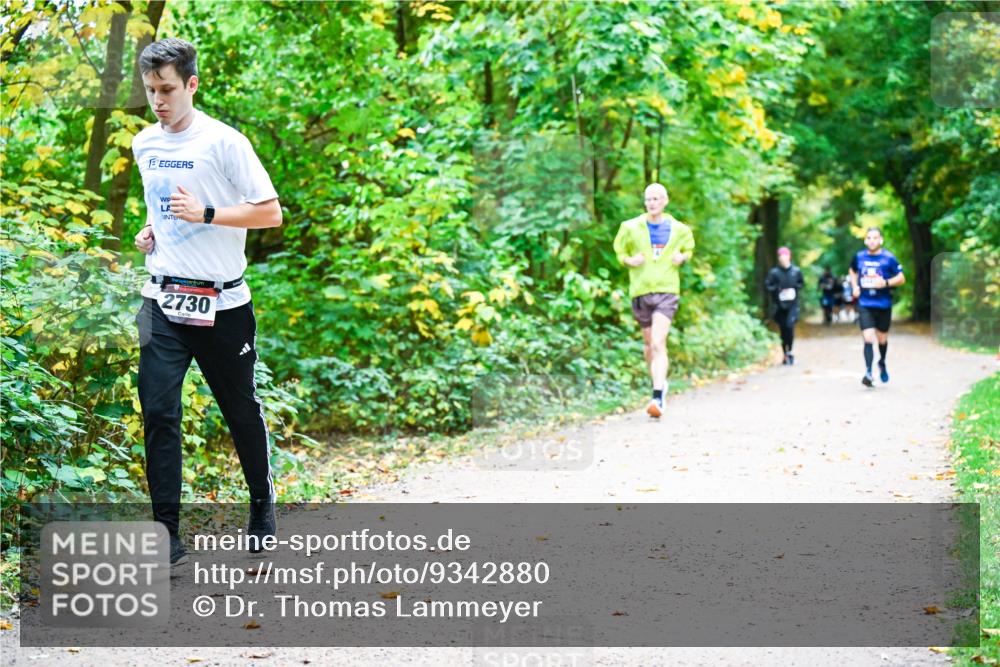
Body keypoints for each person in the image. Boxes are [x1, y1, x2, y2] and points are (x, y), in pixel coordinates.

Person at [131, 38, 283, 566]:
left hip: (223, 305)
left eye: (167, 89)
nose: (158, 101)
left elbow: (270, 214)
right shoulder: (143, 143)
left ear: (192, 84)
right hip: (162, 298)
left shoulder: (225, 142)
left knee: (239, 410)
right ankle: (166, 534)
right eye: (150, 91)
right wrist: (149, 232)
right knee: (158, 411)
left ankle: (262, 507)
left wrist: (209, 215)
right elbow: (159, 206)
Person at [613, 183, 695, 418]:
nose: (652, 203)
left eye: (656, 199)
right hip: (640, 291)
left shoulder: (679, 229)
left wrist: (683, 257)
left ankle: (657, 397)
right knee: (649, 346)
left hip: (667, 291)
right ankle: (660, 382)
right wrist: (629, 261)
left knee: (659, 343)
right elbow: (619, 252)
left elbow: (688, 249)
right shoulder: (630, 227)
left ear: (665, 201)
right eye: (648, 199)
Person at [848, 227, 905, 387]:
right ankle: (868, 372)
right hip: (865, 304)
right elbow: (852, 271)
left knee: (882, 340)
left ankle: (882, 362)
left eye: (875, 238)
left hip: (883, 304)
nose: (872, 240)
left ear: (880, 240)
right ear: (865, 240)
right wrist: (855, 287)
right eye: (869, 238)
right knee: (867, 338)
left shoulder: (889, 258)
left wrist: (886, 283)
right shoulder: (859, 257)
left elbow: (901, 278)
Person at [765, 247, 804, 365]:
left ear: (789, 256)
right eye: (781, 256)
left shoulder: (796, 271)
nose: (783, 258)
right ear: (779, 258)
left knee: (790, 327)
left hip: (792, 305)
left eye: (785, 255)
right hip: (780, 306)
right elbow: (767, 286)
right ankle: (784, 353)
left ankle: (790, 352)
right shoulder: (774, 273)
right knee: (783, 330)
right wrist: (777, 289)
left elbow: (801, 283)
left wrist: (793, 288)